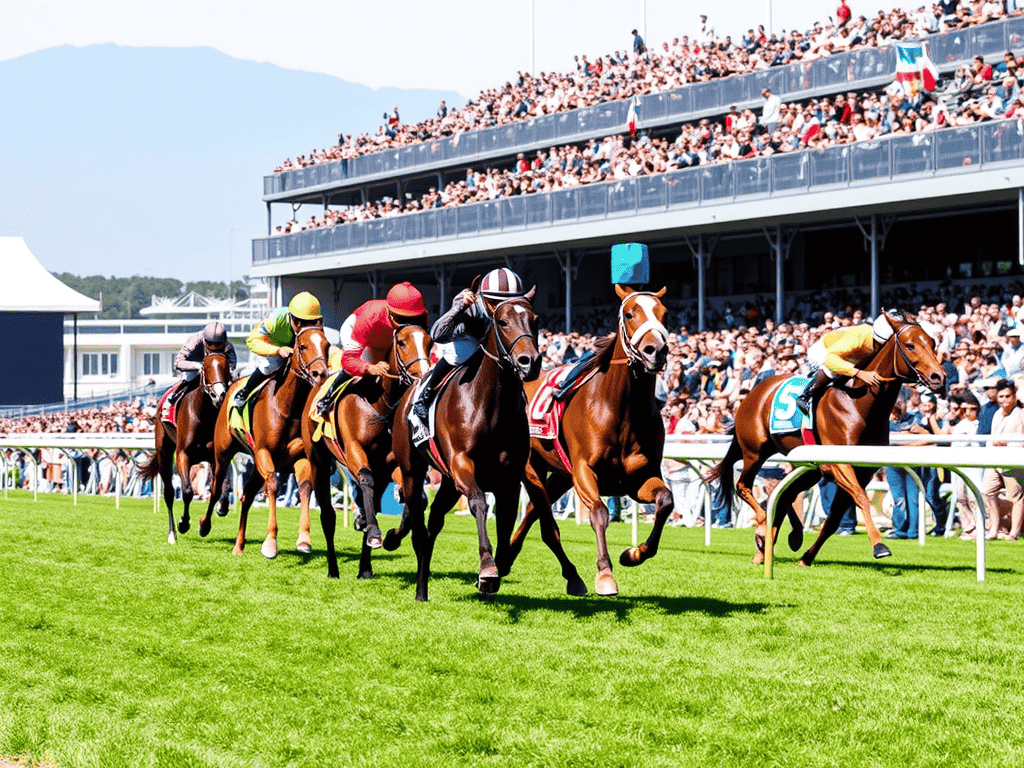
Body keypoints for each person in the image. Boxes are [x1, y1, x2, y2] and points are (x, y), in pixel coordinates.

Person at [411, 267, 528, 424]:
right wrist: (459, 307)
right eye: (494, 303)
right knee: (461, 351)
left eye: (506, 303)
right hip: (465, 339)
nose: (500, 308)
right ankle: (425, 396)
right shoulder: (469, 302)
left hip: (490, 341)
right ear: (483, 298)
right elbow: (436, 334)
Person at [314, 282, 429, 417]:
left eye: (413, 319)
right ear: (389, 313)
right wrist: (369, 368)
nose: (407, 325)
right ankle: (327, 398)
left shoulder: (422, 317)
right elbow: (349, 360)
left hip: (388, 340)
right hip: (360, 335)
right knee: (359, 371)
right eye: (401, 319)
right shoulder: (370, 318)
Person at [795, 309, 907, 415]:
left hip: (851, 355)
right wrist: (859, 373)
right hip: (823, 351)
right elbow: (830, 359)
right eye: (878, 344)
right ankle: (806, 395)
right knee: (834, 369)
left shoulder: (879, 337)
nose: (879, 348)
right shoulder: (858, 338)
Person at [232, 292, 323, 409]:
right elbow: (252, 340)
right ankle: (244, 392)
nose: (304, 327)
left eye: (310, 323)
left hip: (300, 350)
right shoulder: (274, 321)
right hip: (276, 347)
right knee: (271, 364)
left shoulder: (315, 325)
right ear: (292, 317)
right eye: (300, 322)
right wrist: (278, 350)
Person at [980, 379, 1024, 540]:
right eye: (1001, 396)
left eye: (1007, 396)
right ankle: (993, 529)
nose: (1004, 400)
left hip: (1013, 461)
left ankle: (1014, 532)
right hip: (994, 460)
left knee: (1015, 497)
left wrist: (1009, 440)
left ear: (1014, 396)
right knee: (986, 492)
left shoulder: (1021, 414)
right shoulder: (997, 414)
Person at [170, 321, 237, 405]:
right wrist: (197, 366)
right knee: (189, 377)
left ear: (224, 341)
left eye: (218, 344)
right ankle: (173, 397)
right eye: (210, 344)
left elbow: (232, 369)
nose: (214, 347)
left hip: (216, 371)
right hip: (194, 368)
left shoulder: (228, 347)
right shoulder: (194, 340)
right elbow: (178, 362)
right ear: (205, 340)